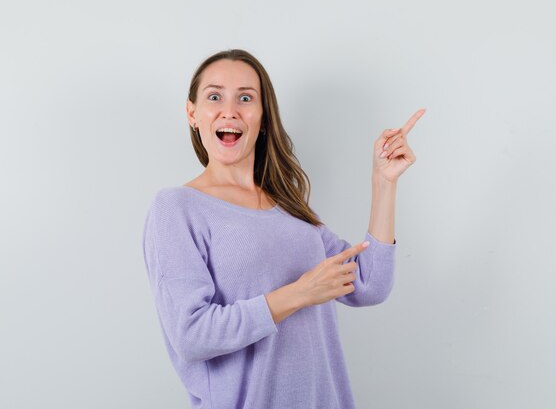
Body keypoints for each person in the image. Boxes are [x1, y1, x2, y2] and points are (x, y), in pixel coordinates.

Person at [142, 48, 425, 409]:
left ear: (262, 117)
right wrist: (299, 294)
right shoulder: (177, 207)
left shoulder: (288, 208)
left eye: (246, 98)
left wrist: (384, 182)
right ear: (192, 114)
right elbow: (192, 334)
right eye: (214, 96)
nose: (230, 110)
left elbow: (370, 285)